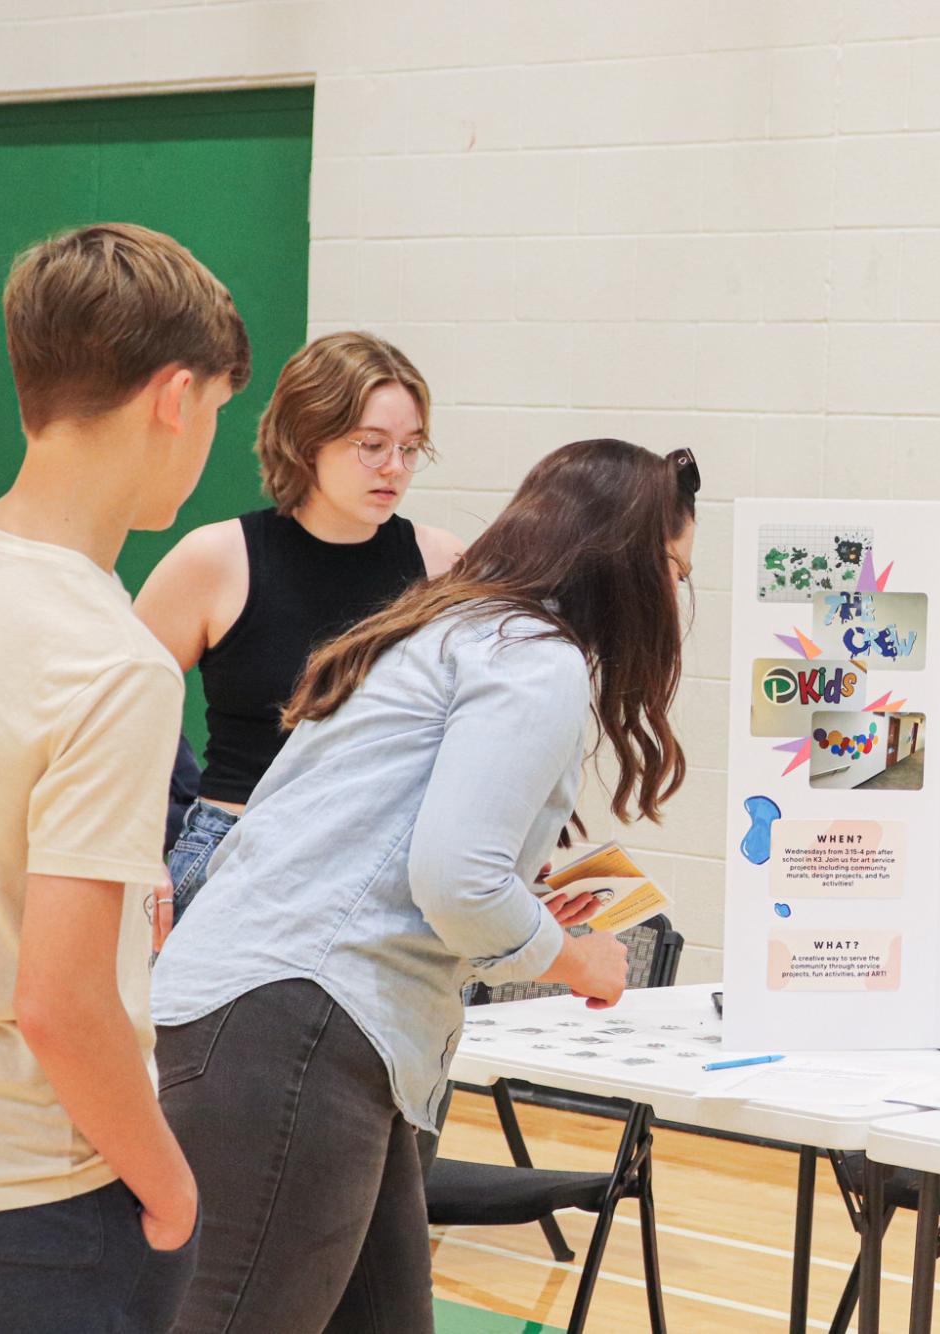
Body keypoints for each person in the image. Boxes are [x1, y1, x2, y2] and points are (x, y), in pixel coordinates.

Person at [151, 439, 699, 1334]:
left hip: (284, 1010)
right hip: (305, 1016)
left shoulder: (448, 626)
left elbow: (404, 850)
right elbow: (457, 882)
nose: (674, 595)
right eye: (672, 568)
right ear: (627, 561)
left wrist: (520, 904)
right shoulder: (535, 655)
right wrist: (574, 959)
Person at [0, 223, 248, 1331]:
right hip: (39, 1194)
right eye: (216, 410)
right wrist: (169, 1186)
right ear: (173, 396)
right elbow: (61, 1000)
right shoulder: (109, 657)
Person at [135, 331, 465, 933]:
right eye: (371, 445)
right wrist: (131, 851)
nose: (394, 467)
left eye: (411, 448)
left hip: (387, 867)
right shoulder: (216, 558)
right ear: (306, 440)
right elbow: (116, 713)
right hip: (241, 852)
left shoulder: (442, 565)